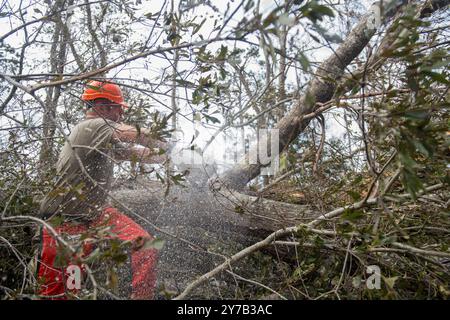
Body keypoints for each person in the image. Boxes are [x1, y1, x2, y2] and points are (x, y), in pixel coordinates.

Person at [35, 80, 166, 299]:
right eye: (118, 109)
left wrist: (171, 158)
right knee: (63, 293)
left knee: (145, 244)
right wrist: (166, 143)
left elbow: (134, 153)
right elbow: (134, 134)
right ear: (103, 107)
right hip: (65, 222)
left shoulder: (101, 136)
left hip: (96, 215)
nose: (120, 116)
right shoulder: (92, 126)